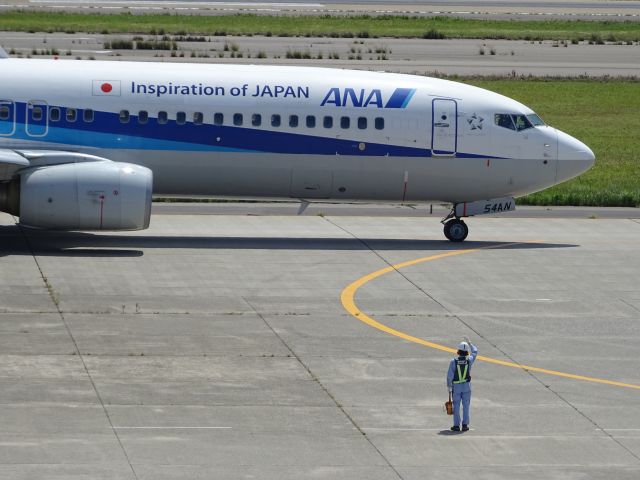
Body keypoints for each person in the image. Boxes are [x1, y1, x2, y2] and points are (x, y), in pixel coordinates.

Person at [446, 338, 478, 432]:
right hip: (467, 386)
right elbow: (475, 352)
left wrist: (449, 387)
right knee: (466, 406)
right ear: (467, 352)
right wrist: (470, 343)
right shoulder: (469, 360)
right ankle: (465, 425)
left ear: (458, 351)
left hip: (456, 387)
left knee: (456, 406)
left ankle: (456, 425)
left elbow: (449, 376)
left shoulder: (453, 362)